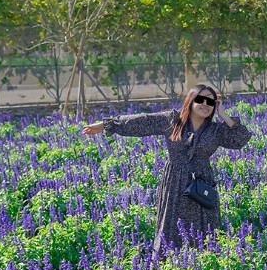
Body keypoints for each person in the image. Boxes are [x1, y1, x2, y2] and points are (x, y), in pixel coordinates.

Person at [82, 83, 251, 255]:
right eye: (201, 99)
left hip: (202, 184)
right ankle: (167, 269)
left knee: (204, 231)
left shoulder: (216, 130)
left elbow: (241, 139)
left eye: (211, 101)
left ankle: (203, 266)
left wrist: (223, 115)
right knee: (170, 228)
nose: (205, 104)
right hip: (175, 183)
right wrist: (106, 124)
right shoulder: (172, 120)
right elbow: (142, 122)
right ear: (191, 100)